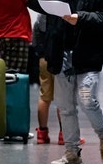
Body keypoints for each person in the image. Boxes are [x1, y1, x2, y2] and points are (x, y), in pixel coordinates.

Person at [27, 0, 103, 164]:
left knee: (87, 99)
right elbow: (33, 1)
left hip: (88, 54)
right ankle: (72, 153)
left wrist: (81, 18)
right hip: (61, 52)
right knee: (65, 107)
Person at [33, 14, 85, 145]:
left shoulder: (42, 13)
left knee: (44, 96)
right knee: (62, 96)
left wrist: (40, 52)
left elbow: (36, 32)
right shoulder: (65, 11)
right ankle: (64, 134)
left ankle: (42, 134)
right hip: (60, 57)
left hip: (44, 57)